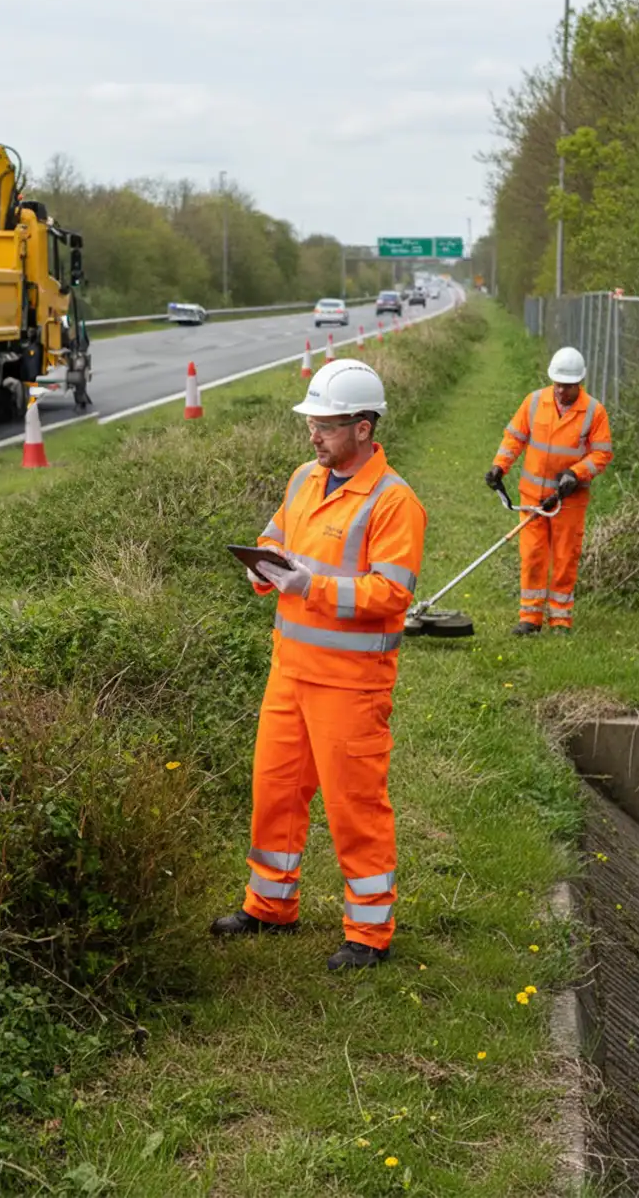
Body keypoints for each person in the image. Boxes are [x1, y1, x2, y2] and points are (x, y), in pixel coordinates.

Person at [214, 359, 427, 972]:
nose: (313, 435)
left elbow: (391, 594)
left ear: (363, 428)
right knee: (274, 792)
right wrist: (267, 564)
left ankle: (369, 933)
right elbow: (278, 536)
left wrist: (310, 586)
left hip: (351, 686)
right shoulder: (305, 477)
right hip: (290, 672)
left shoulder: (394, 503)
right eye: (311, 423)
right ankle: (269, 906)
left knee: (354, 806)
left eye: (327, 426)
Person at [486, 347, 612, 634]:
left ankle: (560, 620)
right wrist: (499, 466)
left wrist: (576, 473)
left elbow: (601, 455)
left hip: (569, 500)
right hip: (532, 497)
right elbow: (514, 438)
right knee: (532, 555)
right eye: (557, 384)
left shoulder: (594, 412)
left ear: (579, 383)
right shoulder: (534, 402)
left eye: (567, 386)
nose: (560, 391)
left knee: (565, 557)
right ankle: (530, 618)